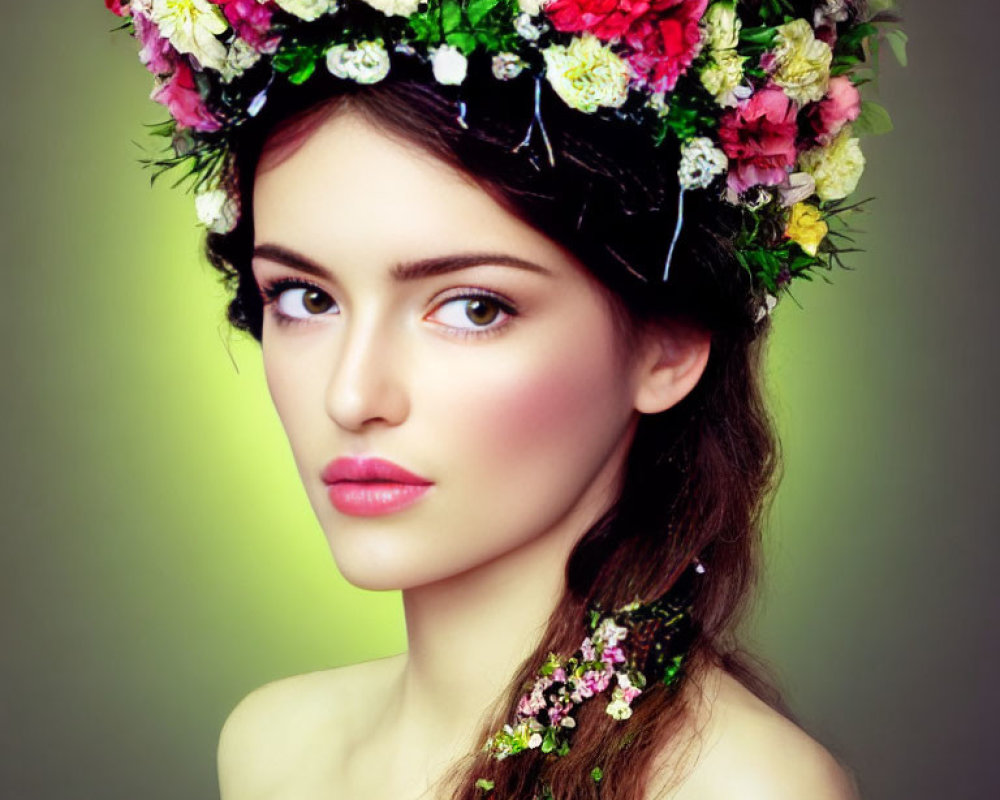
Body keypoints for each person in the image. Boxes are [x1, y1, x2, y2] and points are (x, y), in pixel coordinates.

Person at [106, 1, 900, 797]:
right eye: (307, 298)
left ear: (669, 345)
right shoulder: (273, 746)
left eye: (473, 308)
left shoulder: (747, 791)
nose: (351, 397)